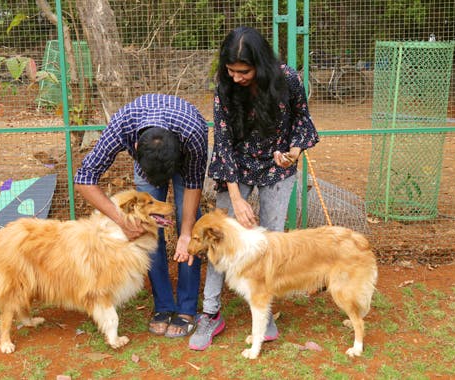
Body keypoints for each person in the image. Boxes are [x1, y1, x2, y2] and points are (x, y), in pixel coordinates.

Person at [188, 26, 319, 351]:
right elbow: (224, 141)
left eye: (242, 71)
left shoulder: (287, 79)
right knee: (221, 239)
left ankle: (265, 314)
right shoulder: (224, 86)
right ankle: (210, 312)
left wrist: (293, 152)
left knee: (270, 241)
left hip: (277, 168)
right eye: (230, 70)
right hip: (237, 168)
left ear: (260, 64)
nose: (235, 77)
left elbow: (303, 122)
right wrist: (235, 197)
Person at [74, 94, 208, 338]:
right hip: (149, 158)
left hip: (185, 163)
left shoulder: (192, 132)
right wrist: (122, 221)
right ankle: (164, 306)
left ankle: (187, 308)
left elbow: (194, 184)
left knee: (189, 232)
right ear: (135, 148)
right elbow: (84, 179)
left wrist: (187, 232)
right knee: (143, 229)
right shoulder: (122, 126)